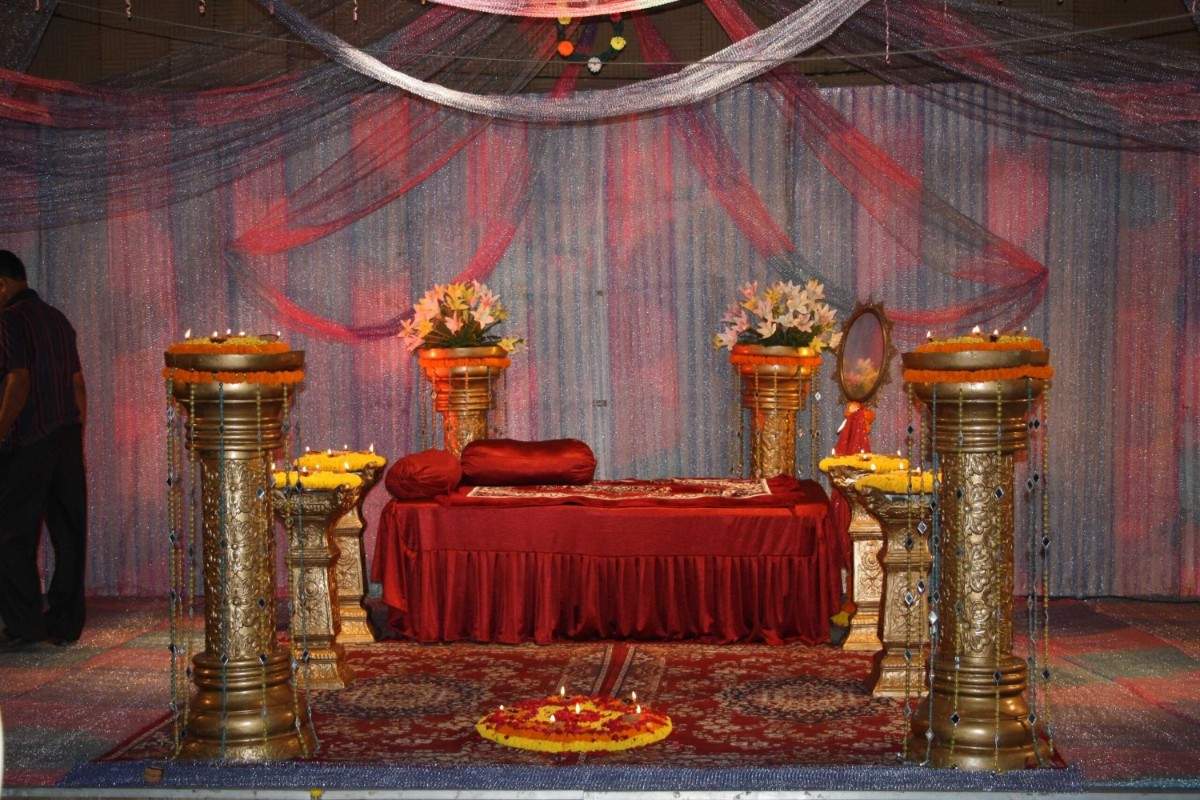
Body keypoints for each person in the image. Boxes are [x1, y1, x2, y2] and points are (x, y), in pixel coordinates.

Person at [0, 250, 87, 650]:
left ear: (2, 286)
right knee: (68, 535)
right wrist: (74, 434)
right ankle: (65, 623)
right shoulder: (57, 319)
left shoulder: (9, 320)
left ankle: (26, 625)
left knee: (11, 536)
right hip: (66, 437)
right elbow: (77, 385)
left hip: (29, 439)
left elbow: (17, 381)